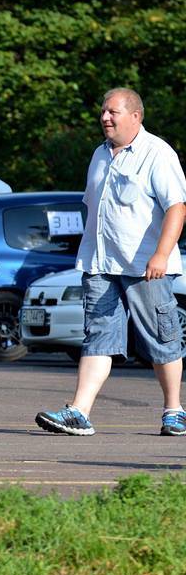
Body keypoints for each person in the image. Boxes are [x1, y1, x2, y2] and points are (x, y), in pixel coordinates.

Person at [36, 87, 186, 437]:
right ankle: (79, 412)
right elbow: (94, 209)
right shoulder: (99, 155)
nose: (105, 117)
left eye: (113, 112)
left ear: (135, 116)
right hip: (101, 264)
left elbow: (177, 207)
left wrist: (161, 254)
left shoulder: (157, 153)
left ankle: (174, 411)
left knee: (160, 341)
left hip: (145, 269)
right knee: (98, 338)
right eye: (103, 111)